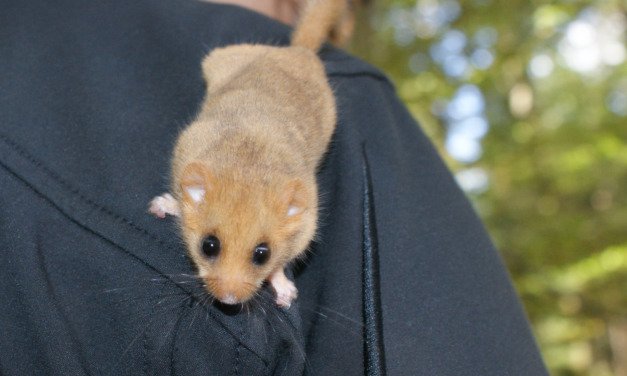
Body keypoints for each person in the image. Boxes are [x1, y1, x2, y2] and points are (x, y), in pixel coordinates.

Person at [0, 0, 548, 374]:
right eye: (212, 248)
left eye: (259, 256)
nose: (232, 290)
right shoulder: (366, 121)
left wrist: (274, 261)